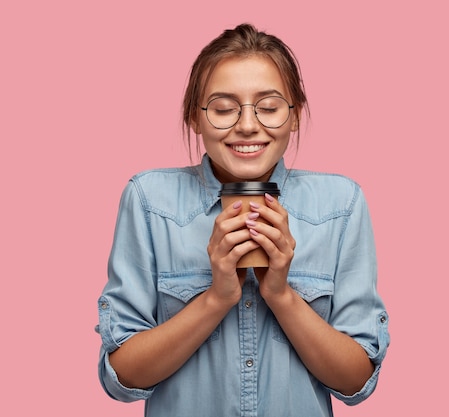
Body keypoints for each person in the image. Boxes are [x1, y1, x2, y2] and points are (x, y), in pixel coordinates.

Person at [96, 23, 389, 416]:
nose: (248, 125)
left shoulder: (340, 205)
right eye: (222, 108)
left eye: (268, 107)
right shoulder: (150, 200)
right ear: (195, 118)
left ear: (295, 115)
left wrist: (281, 295)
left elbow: (357, 382)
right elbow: (121, 380)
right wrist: (216, 298)